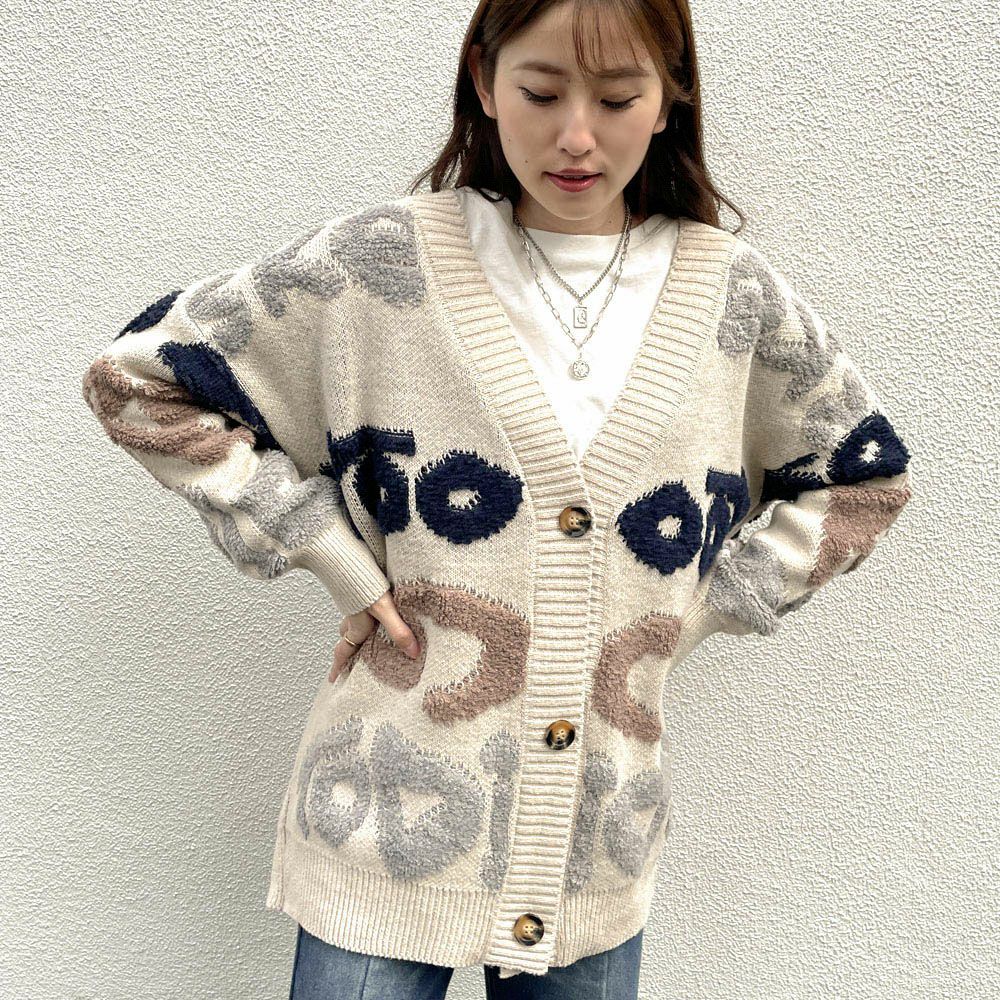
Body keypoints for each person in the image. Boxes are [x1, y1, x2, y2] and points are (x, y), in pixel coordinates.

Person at [80, 1, 914, 997]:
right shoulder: (377, 264)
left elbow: (863, 476)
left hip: (593, 842)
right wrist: (333, 555)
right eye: (541, 92)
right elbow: (139, 379)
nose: (576, 135)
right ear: (483, 79)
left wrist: (690, 616)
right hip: (380, 819)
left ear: (668, 98)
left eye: (617, 98)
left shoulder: (732, 295)